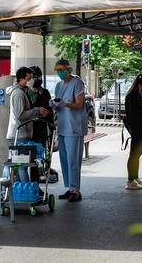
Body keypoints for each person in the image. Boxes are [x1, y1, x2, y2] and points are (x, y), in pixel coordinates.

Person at [52, 59, 88, 202]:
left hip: (74, 127)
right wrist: (54, 105)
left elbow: (79, 104)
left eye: (62, 70)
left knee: (73, 159)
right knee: (65, 159)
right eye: (58, 70)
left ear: (68, 69)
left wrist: (65, 104)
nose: (60, 72)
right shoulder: (58, 86)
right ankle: (69, 187)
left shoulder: (77, 83)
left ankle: (76, 190)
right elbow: (58, 103)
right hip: (62, 126)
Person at [5, 67, 49, 181]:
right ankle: (21, 190)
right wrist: (37, 110)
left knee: (19, 165)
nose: (31, 81)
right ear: (22, 79)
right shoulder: (18, 94)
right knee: (21, 166)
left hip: (21, 134)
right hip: (18, 135)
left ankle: (9, 190)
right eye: (29, 78)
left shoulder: (23, 92)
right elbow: (20, 115)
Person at [124, 74, 142, 190]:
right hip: (137, 127)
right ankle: (131, 180)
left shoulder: (135, 95)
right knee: (134, 154)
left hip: (139, 127)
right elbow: (137, 113)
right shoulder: (133, 96)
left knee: (137, 153)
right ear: (140, 85)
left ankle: (135, 177)